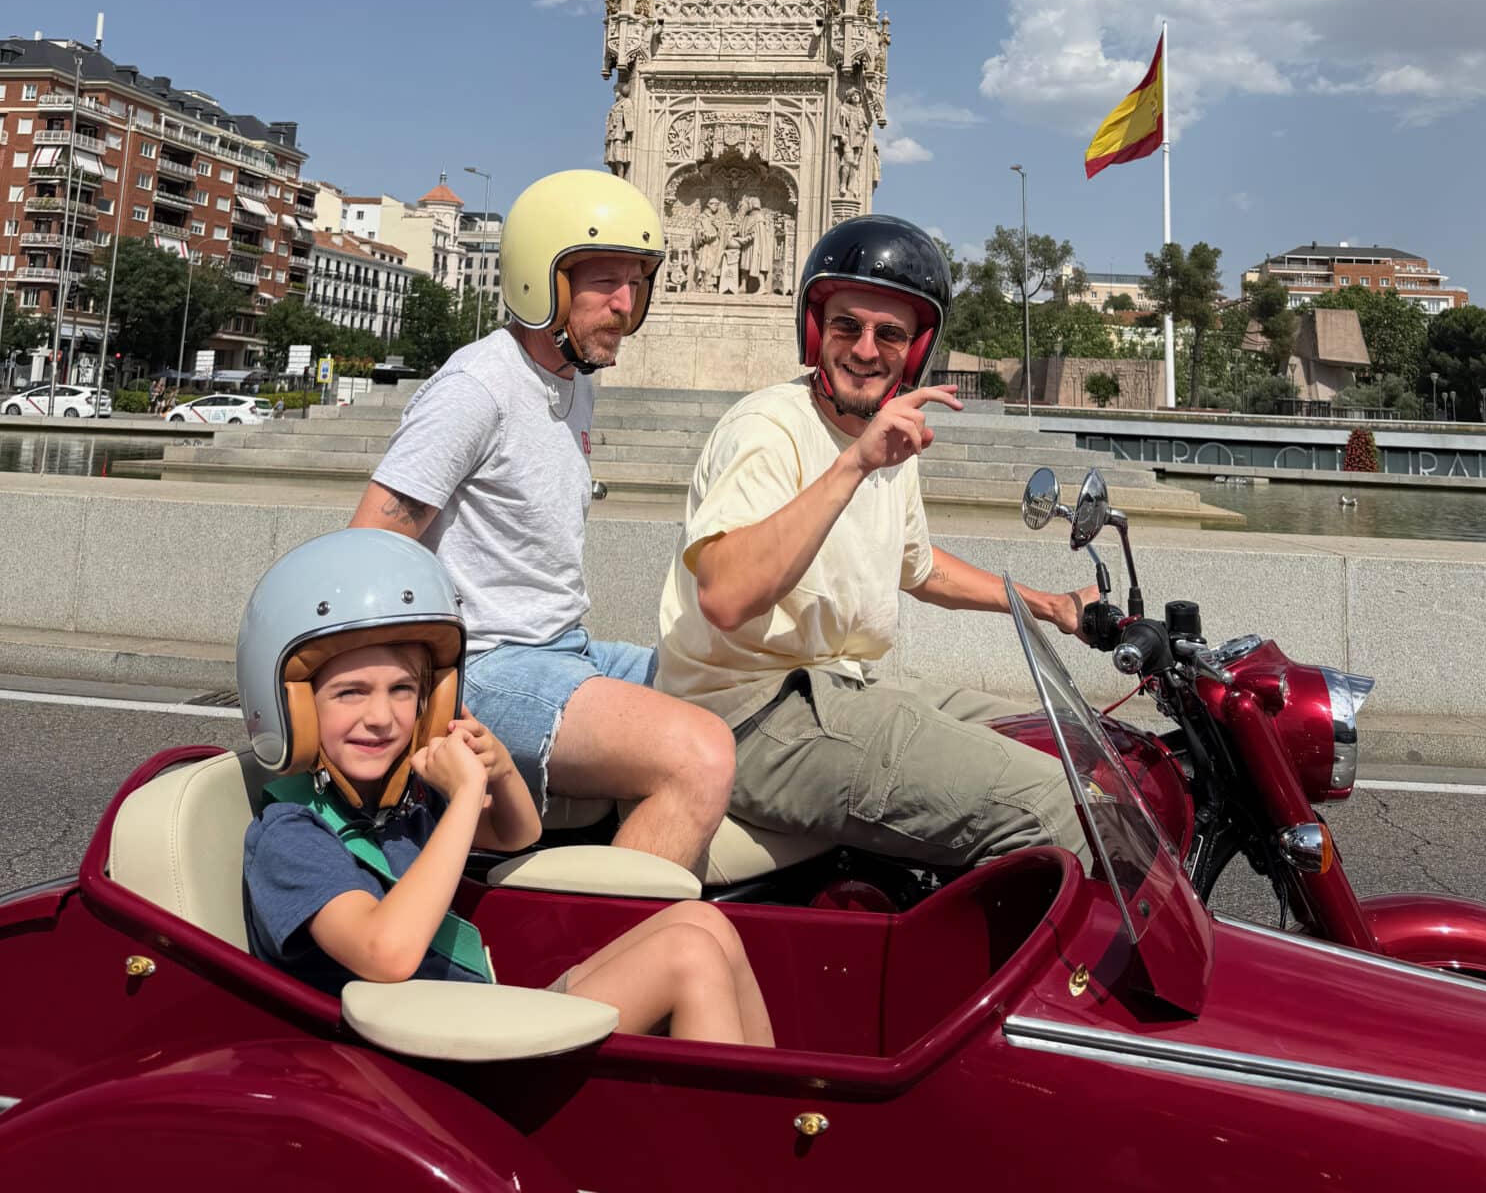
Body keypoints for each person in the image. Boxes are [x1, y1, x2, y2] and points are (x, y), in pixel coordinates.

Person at [656, 215, 1094, 872]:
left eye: (889, 334)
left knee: (1081, 747)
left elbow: (918, 569)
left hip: (847, 686)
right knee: (1058, 810)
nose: (865, 349)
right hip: (751, 715)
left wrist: (1051, 606)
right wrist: (854, 463)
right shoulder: (768, 429)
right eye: (846, 326)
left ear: (916, 352)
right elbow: (725, 594)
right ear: (814, 333)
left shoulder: (887, 439)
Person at [238, 531, 771, 1045]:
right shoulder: (293, 834)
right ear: (294, 707)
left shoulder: (400, 797)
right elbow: (387, 953)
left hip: (472, 1020)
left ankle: (769, 1119)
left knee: (704, 923)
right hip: (408, 1056)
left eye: (403, 690)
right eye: (350, 693)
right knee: (687, 955)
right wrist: (466, 797)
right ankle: (731, 1136)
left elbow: (518, 832)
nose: (381, 716)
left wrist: (497, 770)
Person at [350, 170, 735, 875]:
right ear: (541, 283)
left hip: (564, 648)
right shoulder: (478, 388)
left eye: (637, 283)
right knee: (698, 752)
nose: (625, 305)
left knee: (736, 686)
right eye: (604, 283)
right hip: (486, 664)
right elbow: (370, 545)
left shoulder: (573, 379)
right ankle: (617, 962)